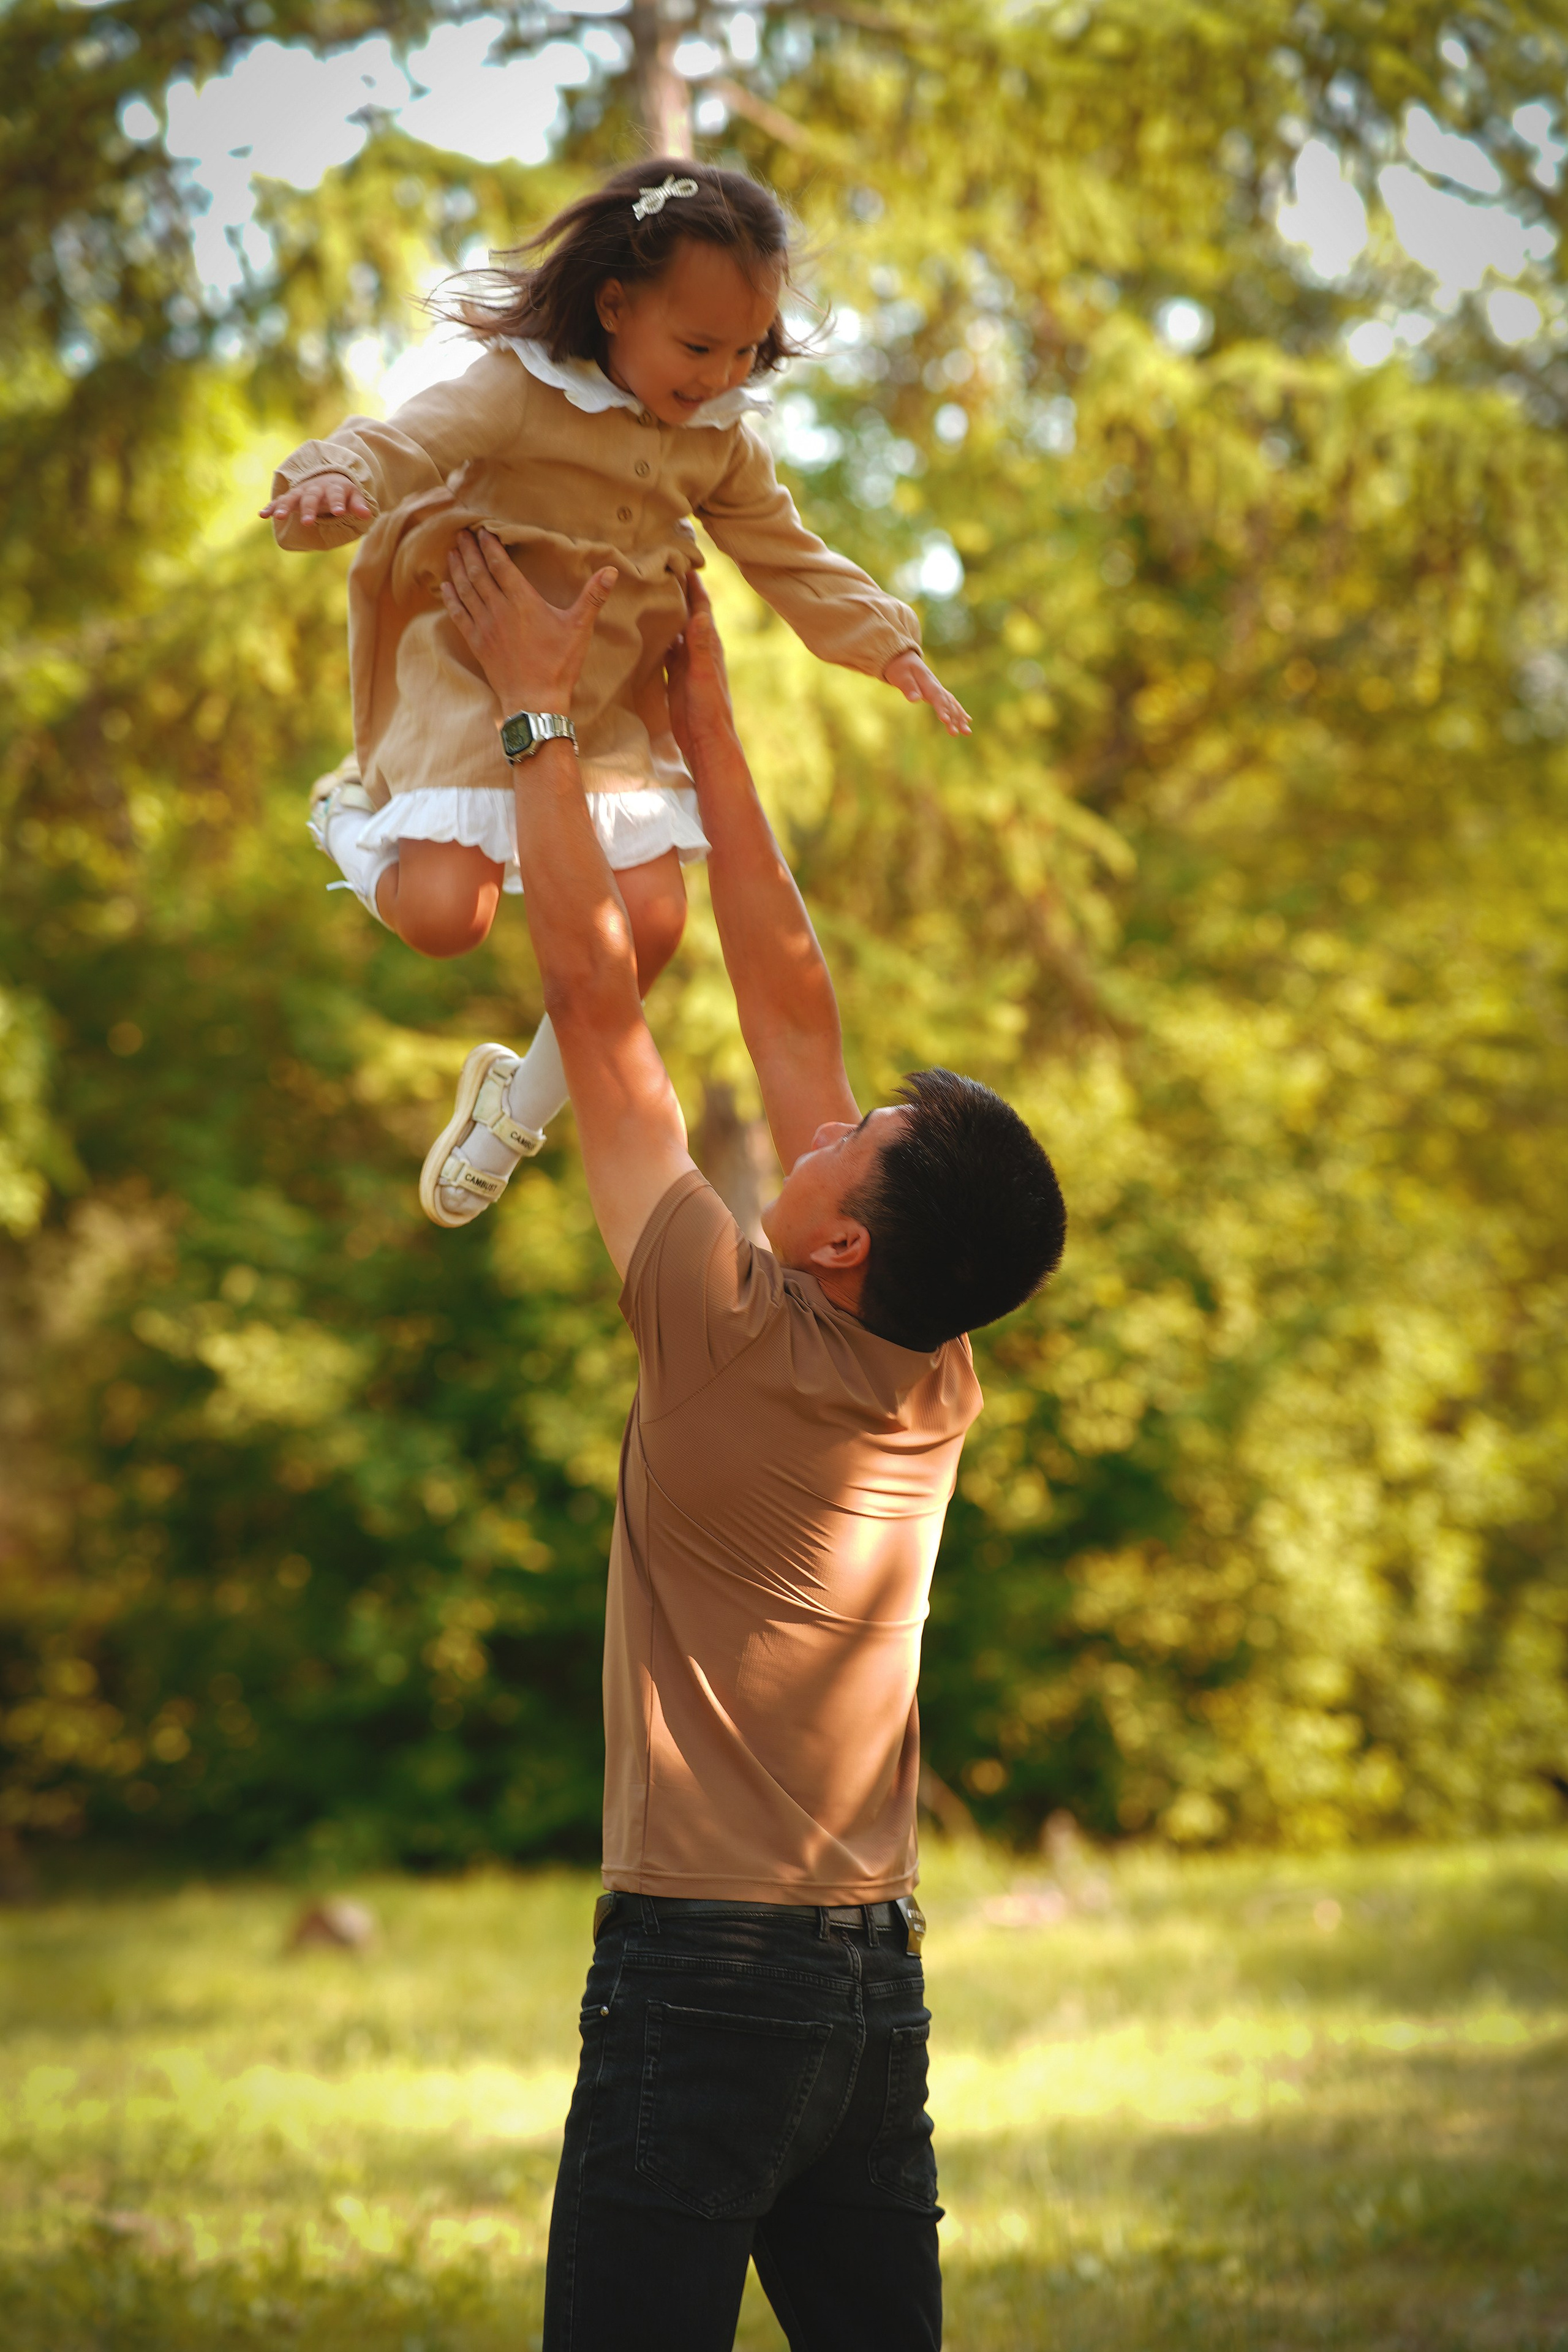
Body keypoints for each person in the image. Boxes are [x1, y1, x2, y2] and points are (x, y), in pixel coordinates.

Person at [432, 526, 1065, 2351]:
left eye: (844, 1136)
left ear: (845, 1236)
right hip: (869, 1989)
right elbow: (787, 1001)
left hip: (700, 1984)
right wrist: (709, 726)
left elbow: (597, 999)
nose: (813, 1117)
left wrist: (543, 719)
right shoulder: (926, 1377)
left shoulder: (714, 1328)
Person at [261, 158, 970, 1228]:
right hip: (479, 665)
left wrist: (887, 641)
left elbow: (785, 551)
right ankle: (343, 815)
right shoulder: (519, 387)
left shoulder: (719, 437)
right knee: (449, 917)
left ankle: (511, 1117)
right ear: (613, 304)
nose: (722, 373)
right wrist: (336, 482)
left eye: (746, 351)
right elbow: (408, 444)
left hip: (605, 705)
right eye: (698, 347)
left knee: (648, 928)